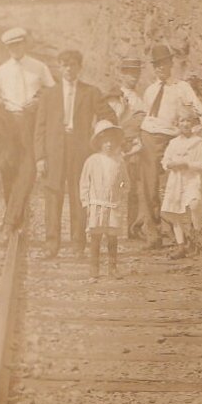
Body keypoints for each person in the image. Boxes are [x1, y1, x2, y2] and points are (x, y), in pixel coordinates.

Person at [34, 49, 115, 259]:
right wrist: (40, 157)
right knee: (53, 196)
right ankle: (52, 245)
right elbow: (40, 127)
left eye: (73, 65)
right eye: (64, 65)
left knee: (80, 197)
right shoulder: (49, 94)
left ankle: (78, 245)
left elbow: (109, 116)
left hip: (81, 151)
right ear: (59, 67)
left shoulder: (91, 92)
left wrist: (99, 142)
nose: (69, 69)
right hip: (54, 151)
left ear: (79, 68)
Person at [140, 44, 202, 250]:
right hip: (149, 138)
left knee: (176, 186)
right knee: (149, 186)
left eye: (164, 63)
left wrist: (188, 137)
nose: (161, 68)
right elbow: (145, 116)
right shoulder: (150, 90)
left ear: (171, 64)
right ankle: (153, 233)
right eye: (157, 65)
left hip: (172, 139)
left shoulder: (182, 88)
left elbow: (200, 114)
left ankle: (183, 231)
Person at [0, 27, 54, 235]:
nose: (15, 49)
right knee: (8, 170)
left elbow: (53, 92)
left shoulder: (39, 67)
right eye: (10, 46)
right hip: (9, 123)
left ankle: (10, 221)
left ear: (25, 44)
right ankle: (16, 218)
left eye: (18, 44)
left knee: (28, 171)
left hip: (31, 122)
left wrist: (38, 100)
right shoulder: (0, 71)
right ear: (7, 48)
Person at [79, 120, 128, 280]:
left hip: (113, 205)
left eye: (111, 142)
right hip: (97, 205)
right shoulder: (92, 161)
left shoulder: (119, 161)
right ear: (99, 143)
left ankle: (113, 267)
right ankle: (94, 267)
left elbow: (125, 182)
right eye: (104, 141)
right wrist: (86, 202)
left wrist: (120, 195)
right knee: (96, 236)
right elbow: (85, 182)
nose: (108, 145)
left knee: (112, 236)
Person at [161, 108, 202, 259]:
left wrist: (187, 164)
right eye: (182, 121)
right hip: (175, 180)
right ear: (178, 124)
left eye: (188, 120)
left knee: (194, 204)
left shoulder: (198, 142)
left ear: (193, 123)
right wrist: (170, 165)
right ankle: (181, 245)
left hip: (191, 179)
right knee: (175, 213)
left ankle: (197, 232)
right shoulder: (173, 143)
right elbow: (165, 161)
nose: (185, 124)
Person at [107, 56, 146, 239]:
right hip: (120, 146)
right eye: (129, 73)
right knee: (114, 187)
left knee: (134, 189)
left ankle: (132, 228)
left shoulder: (139, 97)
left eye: (136, 73)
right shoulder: (117, 97)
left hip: (135, 148)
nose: (133, 77)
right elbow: (113, 123)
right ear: (122, 74)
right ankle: (107, 227)